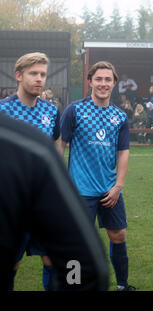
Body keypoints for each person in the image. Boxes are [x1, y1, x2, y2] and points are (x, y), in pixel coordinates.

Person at [0, 113, 109, 291]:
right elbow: (83, 264)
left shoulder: (32, 144)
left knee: (47, 258)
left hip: (65, 191)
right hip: (69, 188)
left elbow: (78, 262)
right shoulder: (29, 147)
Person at [60, 61, 136, 291]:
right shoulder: (75, 110)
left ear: (114, 83)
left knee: (118, 235)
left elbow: (123, 152)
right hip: (80, 190)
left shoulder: (119, 116)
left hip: (109, 190)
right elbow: (60, 144)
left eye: (108, 80)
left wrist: (118, 186)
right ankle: (73, 285)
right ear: (90, 81)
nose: (103, 84)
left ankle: (122, 285)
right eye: (99, 79)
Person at [0, 52, 62, 291]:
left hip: (43, 202)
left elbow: (56, 143)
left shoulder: (51, 111)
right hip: (12, 203)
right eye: (33, 74)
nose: (39, 79)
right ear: (18, 76)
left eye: (43, 74)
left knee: (51, 259)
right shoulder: (4, 110)